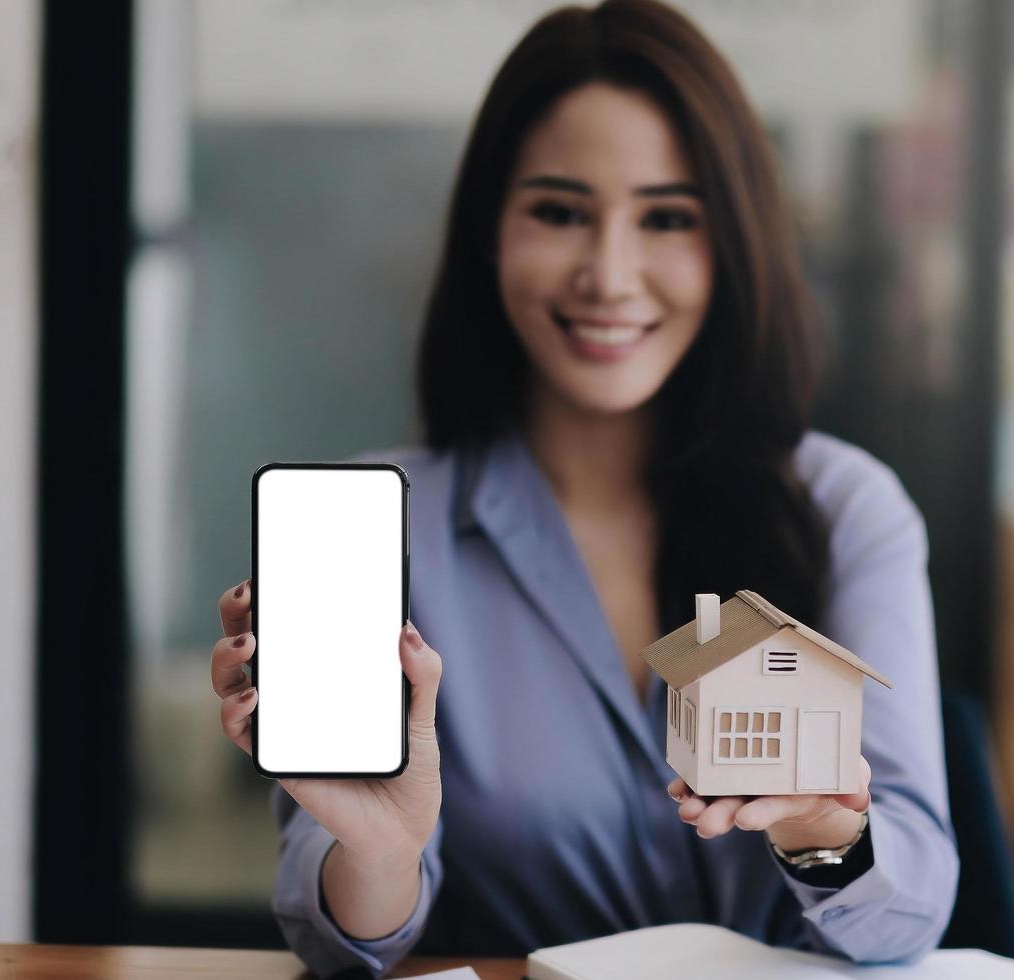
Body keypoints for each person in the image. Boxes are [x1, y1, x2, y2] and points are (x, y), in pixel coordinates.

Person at [207, 1, 958, 976]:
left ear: (730, 244)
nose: (609, 274)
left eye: (667, 218)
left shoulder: (846, 507)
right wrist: (381, 847)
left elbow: (911, 919)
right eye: (560, 211)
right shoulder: (384, 526)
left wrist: (823, 824)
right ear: (489, 232)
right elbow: (341, 949)